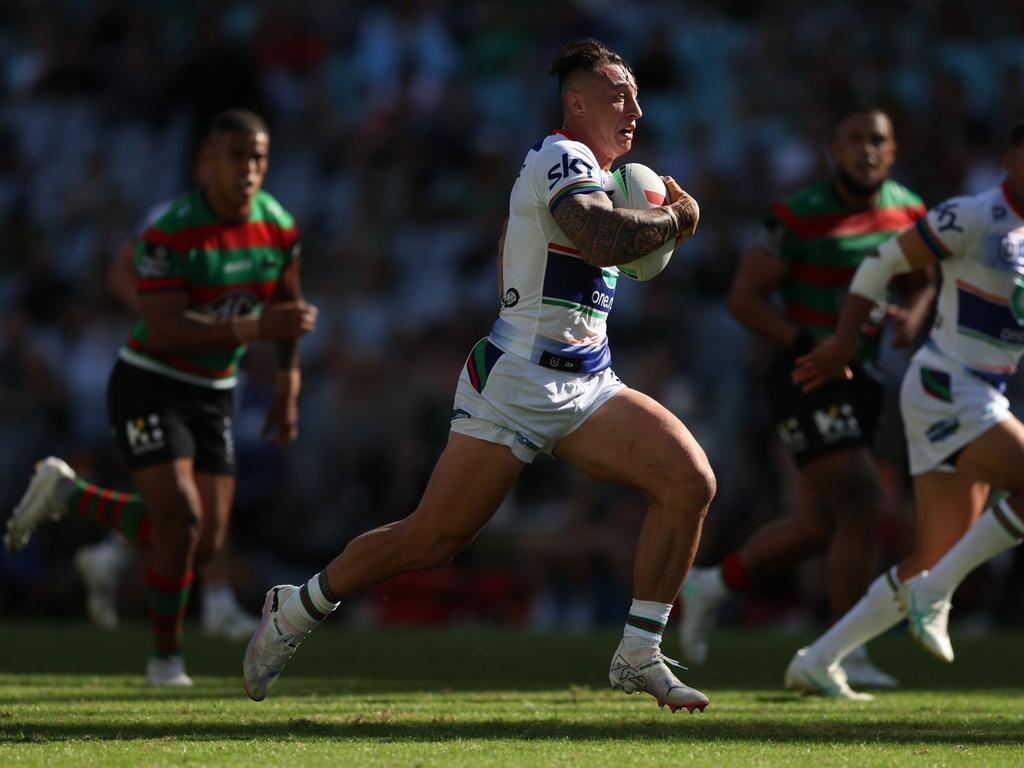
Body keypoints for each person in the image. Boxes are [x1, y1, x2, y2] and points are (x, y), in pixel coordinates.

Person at [241, 38, 714, 712]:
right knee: (431, 539)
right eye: (617, 93)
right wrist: (676, 218)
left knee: (689, 480)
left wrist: (663, 223)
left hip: (588, 382)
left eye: (636, 93)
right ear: (576, 103)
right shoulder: (561, 155)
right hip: (517, 380)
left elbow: (617, 243)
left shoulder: (612, 176)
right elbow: (602, 239)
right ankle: (297, 608)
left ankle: (639, 652)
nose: (634, 106)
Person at [4, 109, 318, 686]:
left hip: (217, 390)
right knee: (180, 517)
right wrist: (251, 330)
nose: (248, 169)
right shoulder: (172, 228)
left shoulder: (279, 227)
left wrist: (288, 386)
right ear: (206, 162)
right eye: (235, 157)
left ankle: (69, 493)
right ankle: (165, 661)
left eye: (258, 158)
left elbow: (288, 314)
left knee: (201, 539)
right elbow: (167, 328)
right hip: (152, 379)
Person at [679, 106, 933, 687]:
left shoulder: (908, 209)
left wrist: (910, 315)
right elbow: (745, 299)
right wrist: (811, 343)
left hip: (863, 378)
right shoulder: (797, 215)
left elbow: (923, 280)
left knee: (820, 526)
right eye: (854, 138)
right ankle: (844, 652)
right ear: (831, 147)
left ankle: (710, 585)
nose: (867, 150)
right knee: (865, 502)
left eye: (879, 140)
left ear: (893, 151)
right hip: (805, 376)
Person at [784, 119, 1024, 699]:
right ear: (1012, 157)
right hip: (948, 386)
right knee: (940, 570)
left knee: (933, 556)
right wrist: (843, 339)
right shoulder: (972, 215)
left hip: (984, 391)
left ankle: (820, 659)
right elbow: (880, 264)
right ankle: (936, 591)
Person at [73, 178, 261, 641]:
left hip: (205, 370)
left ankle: (115, 553)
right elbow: (121, 274)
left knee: (199, 487)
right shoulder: (170, 218)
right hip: (166, 369)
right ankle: (213, 601)